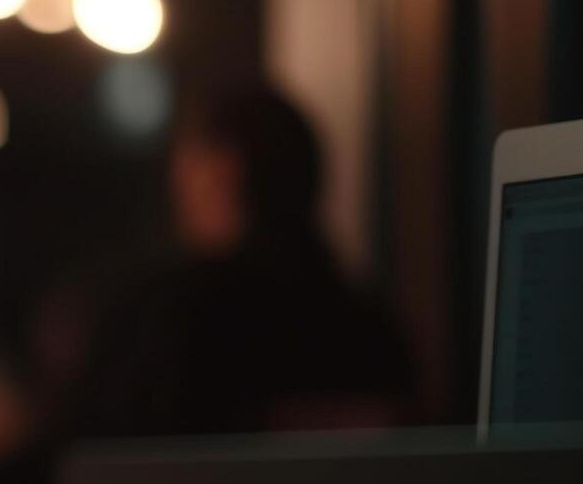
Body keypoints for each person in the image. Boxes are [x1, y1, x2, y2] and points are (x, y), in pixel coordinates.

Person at [55, 85, 415, 438]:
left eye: (189, 157)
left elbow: (97, 454)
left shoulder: (170, 318)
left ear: (225, 169)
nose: (176, 181)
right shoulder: (366, 328)